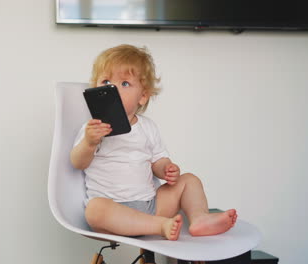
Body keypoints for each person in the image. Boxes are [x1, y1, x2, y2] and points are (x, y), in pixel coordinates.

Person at [70, 44, 237, 240]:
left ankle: (200, 218)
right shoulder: (94, 128)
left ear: (142, 96)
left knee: (189, 180)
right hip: (114, 212)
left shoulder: (148, 127)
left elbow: (158, 161)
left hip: (151, 206)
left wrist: (167, 169)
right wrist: (89, 143)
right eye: (106, 81)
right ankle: (161, 226)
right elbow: (78, 163)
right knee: (94, 209)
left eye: (124, 84)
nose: (112, 89)